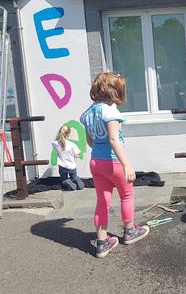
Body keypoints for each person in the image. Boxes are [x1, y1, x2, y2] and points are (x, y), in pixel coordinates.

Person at [80, 72, 149, 258]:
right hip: (114, 162)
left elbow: (90, 141)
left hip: (96, 162)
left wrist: (100, 151)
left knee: (103, 201)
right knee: (127, 195)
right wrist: (126, 164)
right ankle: (129, 231)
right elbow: (113, 139)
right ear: (114, 91)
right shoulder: (110, 112)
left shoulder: (87, 114)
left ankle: (102, 243)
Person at [52, 125, 84, 190]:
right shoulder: (72, 144)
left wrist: (60, 136)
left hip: (62, 166)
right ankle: (75, 180)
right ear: (69, 134)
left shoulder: (56, 143)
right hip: (72, 166)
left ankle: (67, 182)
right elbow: (77, 155)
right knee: (73, 178)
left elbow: (53, 142)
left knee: (63, 181)